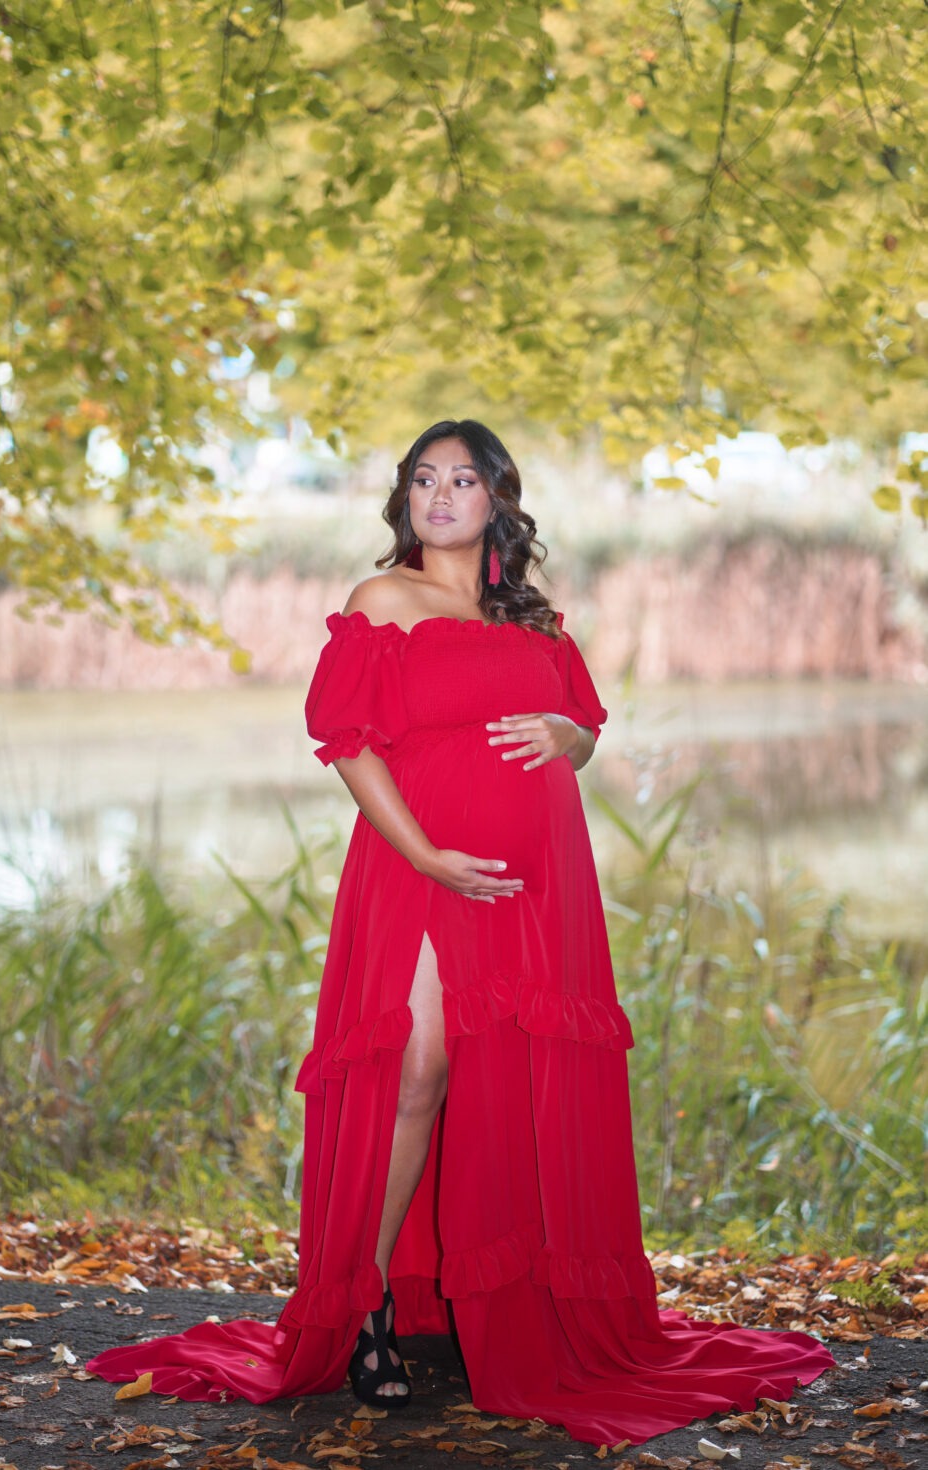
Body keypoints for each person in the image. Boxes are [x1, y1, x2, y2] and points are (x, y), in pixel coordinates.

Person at [86, 418, 835, 1445]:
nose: (440, 496)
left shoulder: (533, 616)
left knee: (512, 1079)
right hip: (421, 865)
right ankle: (365, 1303)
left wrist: (569, 734)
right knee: (418, 1070)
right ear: (405, 498)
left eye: (463, 480)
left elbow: (580, 733)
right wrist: (428, 856)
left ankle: (503, 1310)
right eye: (424, 479)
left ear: (497, 500)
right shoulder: (381, 601)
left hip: (536, 882)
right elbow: (349, 746)